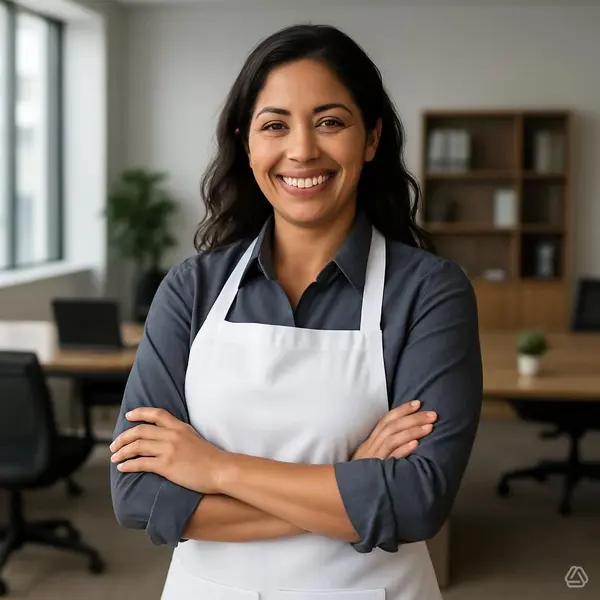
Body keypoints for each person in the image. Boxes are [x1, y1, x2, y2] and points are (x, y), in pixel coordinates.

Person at [109, 23, 482, 600]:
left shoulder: (429, 292)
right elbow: (138, 496)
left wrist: (214, 469)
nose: (302, 149)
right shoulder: (191, 288)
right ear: (248, 143)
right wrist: (355, 486)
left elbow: (414, 503)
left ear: (372, 137)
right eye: (275, 125)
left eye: (330, 122)